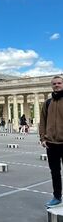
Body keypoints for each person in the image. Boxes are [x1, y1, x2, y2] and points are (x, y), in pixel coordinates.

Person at [39, 75, 63, 207]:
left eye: (59, 83)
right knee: (55, 172)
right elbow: (42, 121)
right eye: (54, 83)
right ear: (51, 86)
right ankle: (57, 196)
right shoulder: (47, 103)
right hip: (51, 144)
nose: (57, 85)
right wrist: (42, 137)